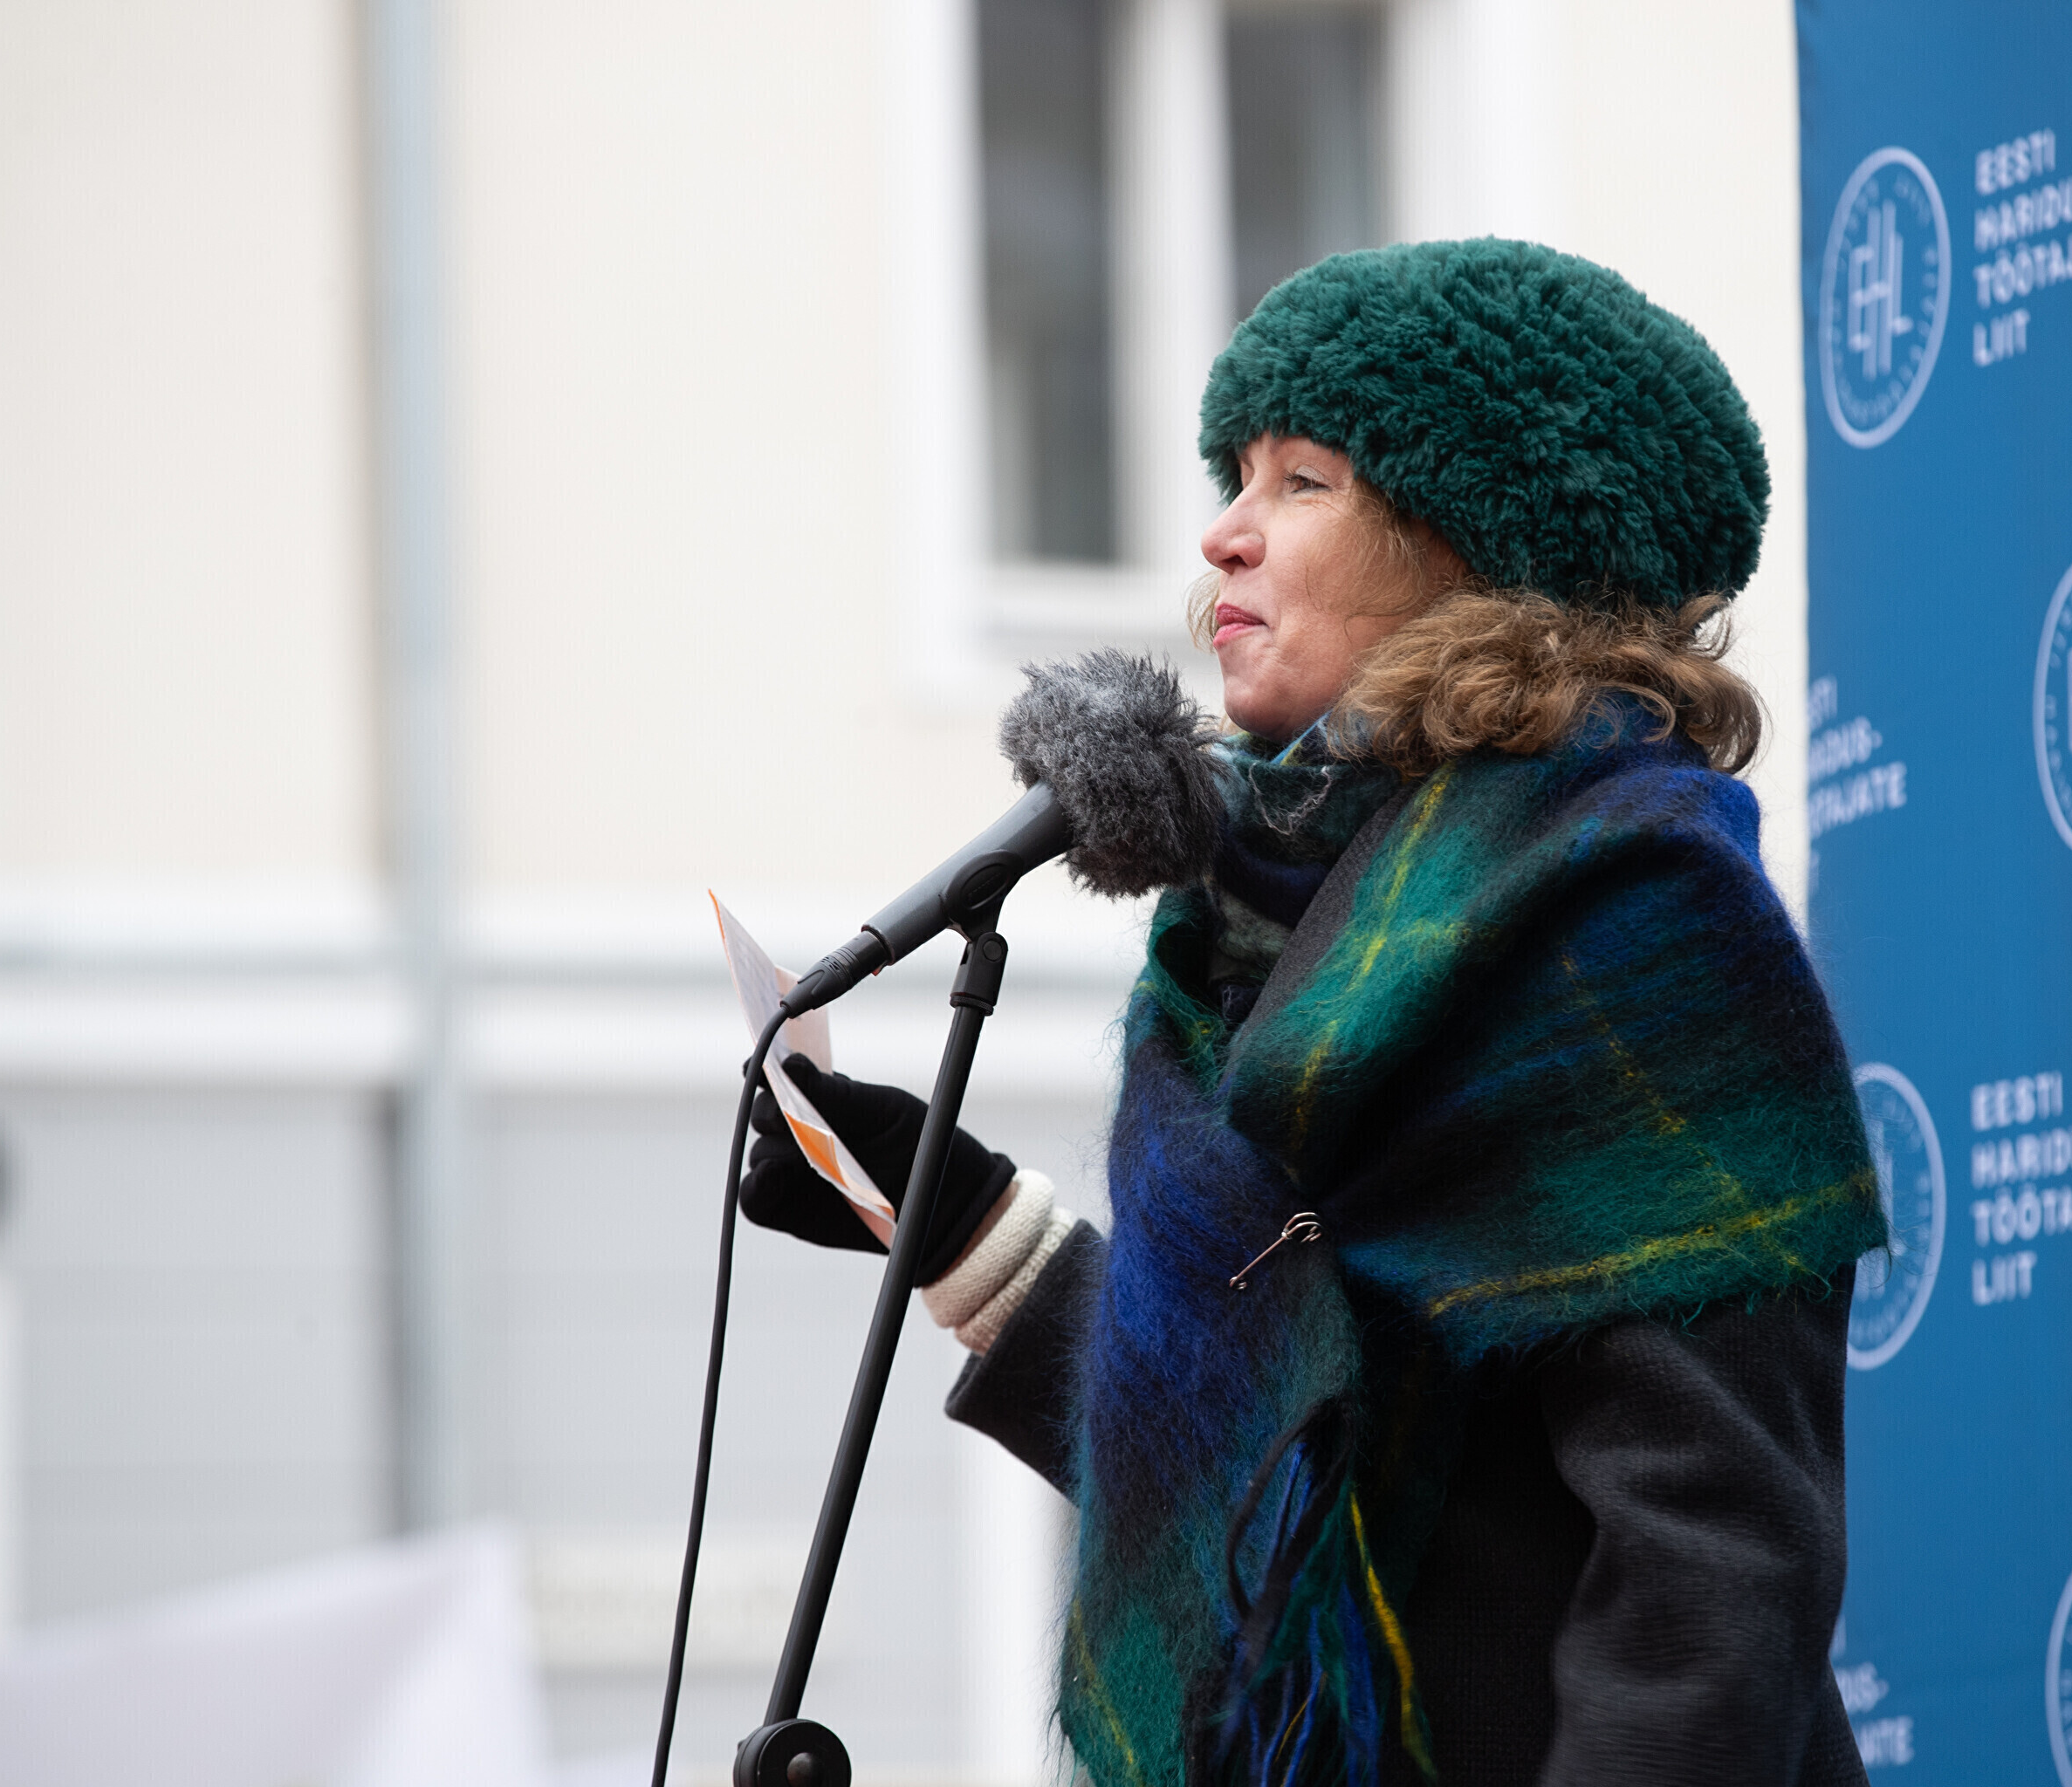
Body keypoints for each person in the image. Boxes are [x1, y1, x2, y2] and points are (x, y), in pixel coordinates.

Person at [740, 238, 1887, 1786]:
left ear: (1474, 547)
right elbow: (1266, 1436)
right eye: (1235, 478)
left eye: (1302, 481)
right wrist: (952, 1222)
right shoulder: (1263, 925)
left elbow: (1714, 1561)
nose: (1222, 533)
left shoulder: (1635, 910)